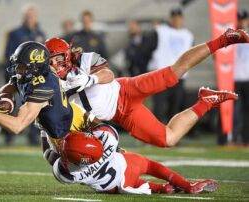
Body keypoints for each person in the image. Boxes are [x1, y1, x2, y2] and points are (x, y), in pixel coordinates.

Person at [45, 26, 247, 148]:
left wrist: (90, 80)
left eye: (59, 58)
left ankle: (224, 39)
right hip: (120, 115)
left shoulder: (85, 59)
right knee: (168, 139)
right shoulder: (50, 83)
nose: (56, 64)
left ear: (68, 53)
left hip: (125, 89)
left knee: (173, 73)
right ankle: (206, 101)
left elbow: (108, 74)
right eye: (51, 61)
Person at [0, 42, 98, 148]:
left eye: (21, 67)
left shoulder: (43, 87)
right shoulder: (32, 74)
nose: (17, 70)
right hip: (63, 120)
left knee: (68, 173)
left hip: (71, 131)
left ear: (35, 67)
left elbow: (17, 126)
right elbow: (8, 88)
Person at [43, 124, 218, 194]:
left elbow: (49, 156)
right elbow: (98, 126)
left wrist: (44, 134)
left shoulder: (69, 174)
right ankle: (188, 185)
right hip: (126, 165)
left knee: (141, 184)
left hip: (114, 188)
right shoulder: (108, 139)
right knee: (152, 166)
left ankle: (162, 188)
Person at [4, 3, 46, 145]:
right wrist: (13, 75)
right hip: (19, 75)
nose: (31, 18)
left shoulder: (40, 33)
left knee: (34, 105)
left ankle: (34, 136)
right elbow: (9, 55)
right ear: (24, 17)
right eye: (28, 15)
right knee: (11, 103)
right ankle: (9, 135)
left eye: (33, 15)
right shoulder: (15, 33)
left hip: (35, 77)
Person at [148, 8, 194, 123]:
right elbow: (148, 50)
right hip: (162, 74)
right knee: (159, 107)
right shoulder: (160, 31)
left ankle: (172, 136)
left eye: (178, 17)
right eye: (174, 17)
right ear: (170, 19)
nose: (176, 20)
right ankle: (156, 136)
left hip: (179, 76)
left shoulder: (188, 35)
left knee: (174, 109)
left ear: (182, 19)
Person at [233, 9, 249, 146]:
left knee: (246, 111)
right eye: (239, 19)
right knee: (235, 111)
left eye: (243, 19)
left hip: (248, 78)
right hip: (234, 78)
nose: (241, 22)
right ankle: (233, 137)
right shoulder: (230, 35)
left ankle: (246, 139)